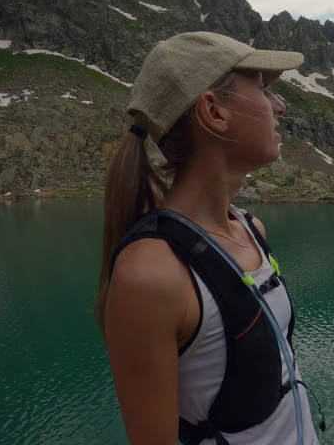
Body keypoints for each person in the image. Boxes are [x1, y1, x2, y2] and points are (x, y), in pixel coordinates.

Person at [95, 32, 319, 445]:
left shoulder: (251, 228)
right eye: (263, 88)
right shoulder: (151, 276)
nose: (280, 106)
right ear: (214, 111)